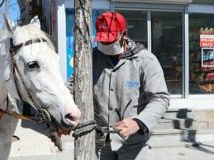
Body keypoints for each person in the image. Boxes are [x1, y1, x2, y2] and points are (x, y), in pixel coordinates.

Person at [70, 11, 170, 160]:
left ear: (124, 34)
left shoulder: (145, 60)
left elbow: (161, 98)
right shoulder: (90, 59)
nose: (105, 45)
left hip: (133, 144)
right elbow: (71, 87)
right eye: (102, 41)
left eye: (110, 41)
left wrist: (138, 122)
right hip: (100, 142)